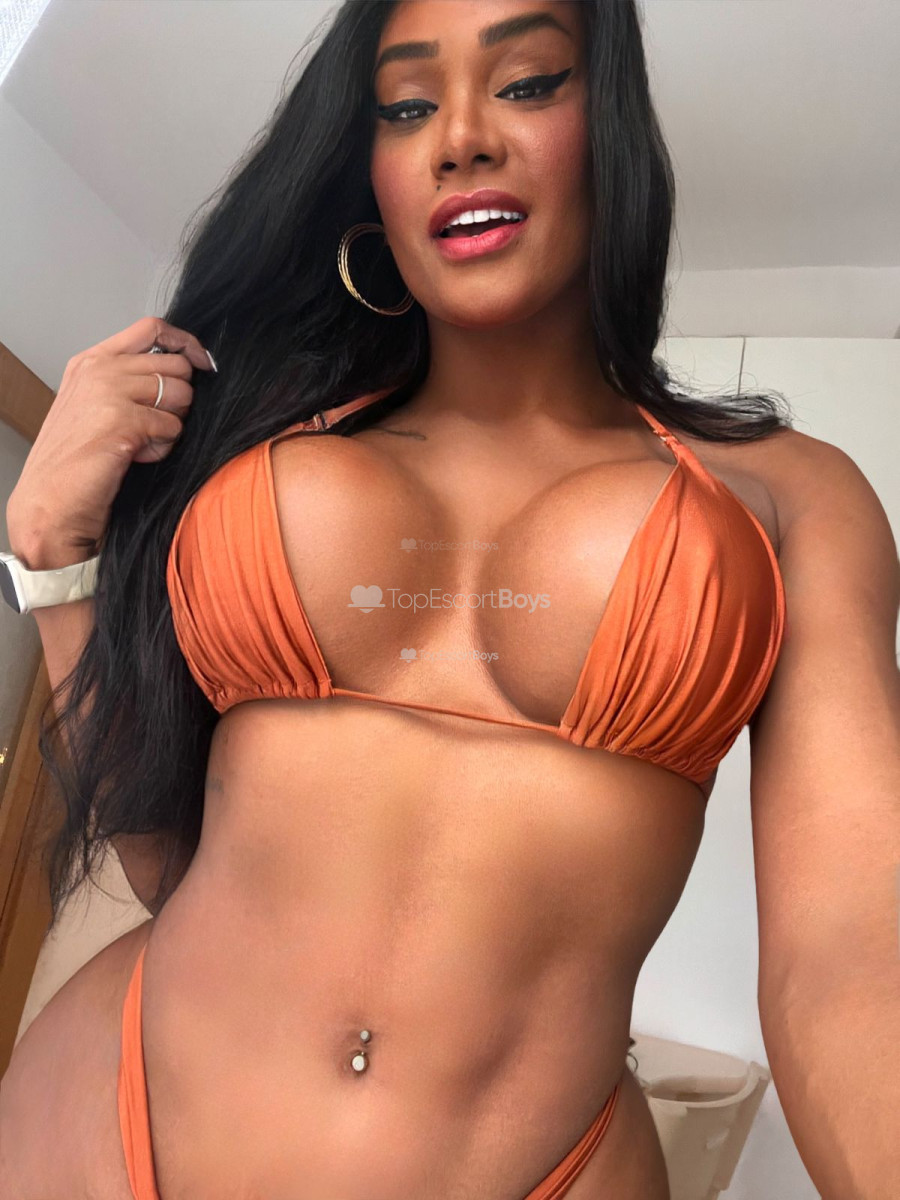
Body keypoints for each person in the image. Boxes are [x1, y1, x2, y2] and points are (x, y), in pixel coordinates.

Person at [2, 2, 898, 1197]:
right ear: (370, 175)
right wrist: (53, 557)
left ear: (610, 128)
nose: (461, 136)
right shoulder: (259, 446)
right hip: (107, 1126)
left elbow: (849, 960)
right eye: (407, 105)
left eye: (527, 83)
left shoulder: (788, 496)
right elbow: (170, 865)